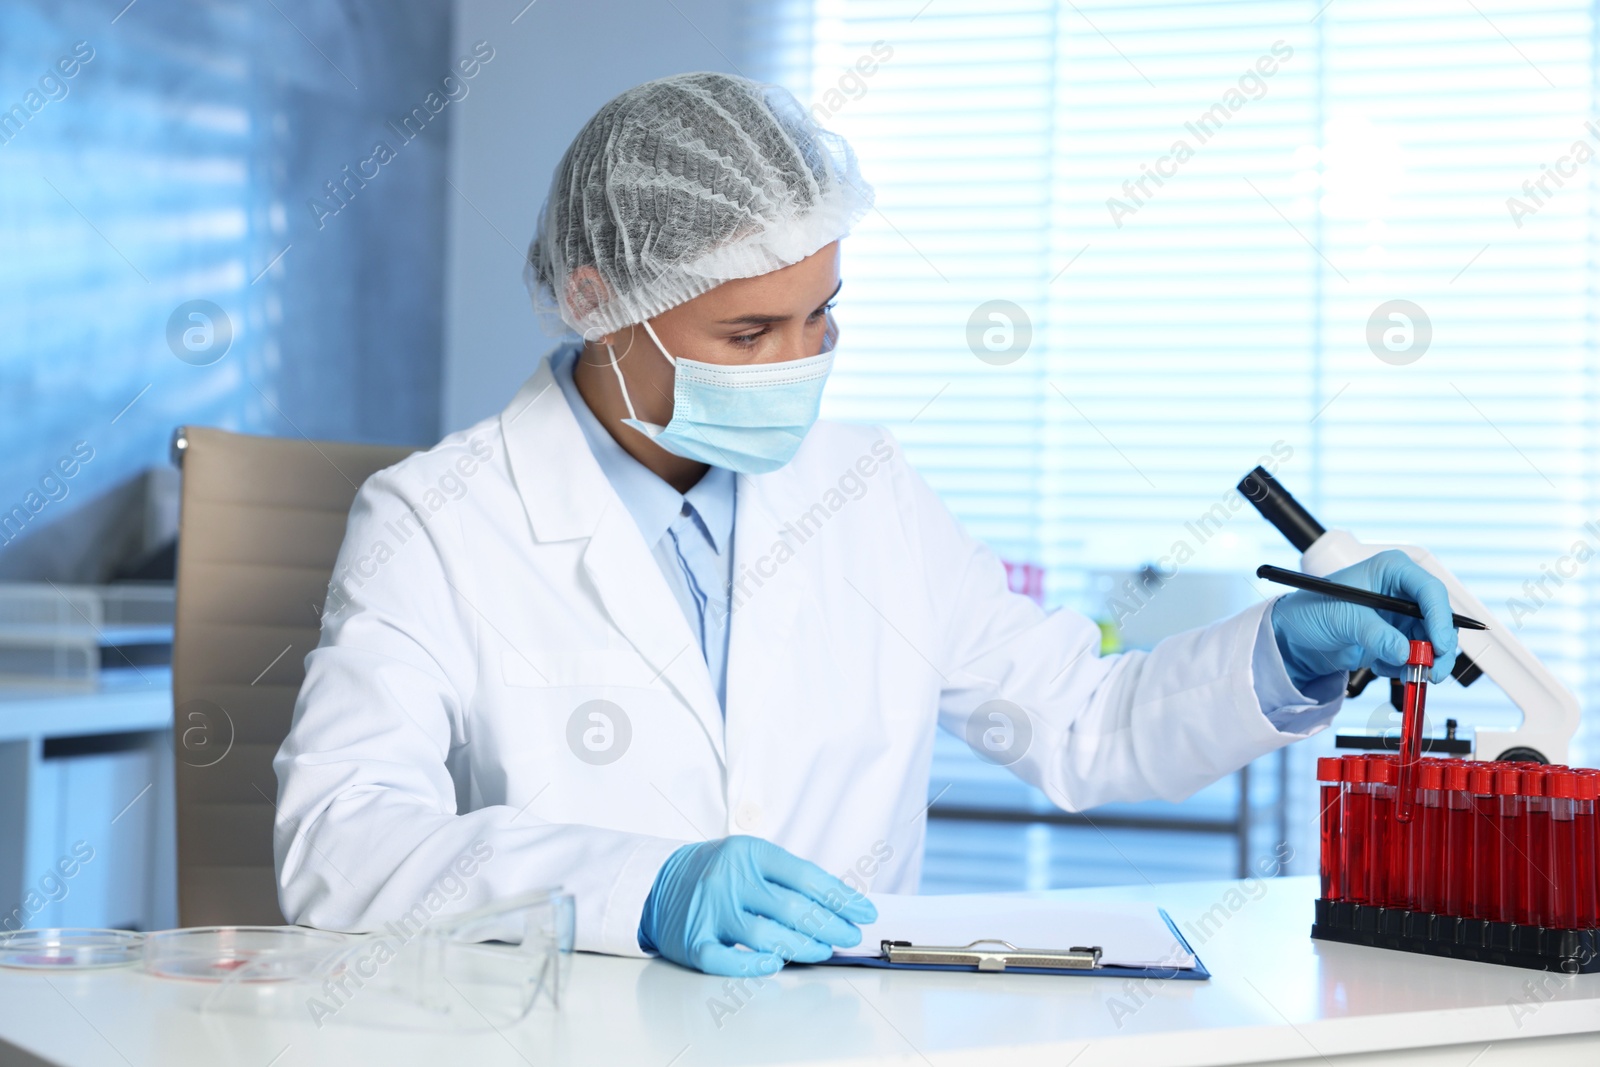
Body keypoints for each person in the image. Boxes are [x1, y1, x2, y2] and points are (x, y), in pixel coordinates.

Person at [273, 72, 1459, 977]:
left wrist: (1276, 650)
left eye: (820, 316)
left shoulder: (867, 491)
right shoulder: (439, 518)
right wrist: (637, 889)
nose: (800, 365)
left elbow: (1080, 721)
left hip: (847, 1031)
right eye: (749, 334)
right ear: (597, 299)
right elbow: (341, 839)